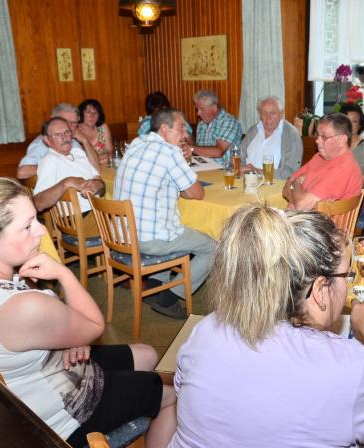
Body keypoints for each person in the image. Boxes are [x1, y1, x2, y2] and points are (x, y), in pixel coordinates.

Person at [0, 176, 177, 448]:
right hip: (59, 418)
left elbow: (43, 318)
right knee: (173, 395)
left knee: (148, 354)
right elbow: (93, 325)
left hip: (30, 382)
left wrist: (69, 335)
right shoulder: (22, 308)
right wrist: (63, 273)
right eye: (28, 225)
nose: (41, 231)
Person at [168, 205, 364, 448]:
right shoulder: (349, 367)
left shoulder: (207, 328)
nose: (348, 284)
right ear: (320, 290)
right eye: (346, 275)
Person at [115, 109, 216, 320]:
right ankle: (170, 295)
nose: (185, 134)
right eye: (180, 128)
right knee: (215, 246)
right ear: (164, 129)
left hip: (123, 236)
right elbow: (197, 193)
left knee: (171, 225)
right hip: (149, 239)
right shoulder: (168, 152)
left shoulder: (137, 143)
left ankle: (156, 283)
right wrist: (183, 162)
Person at [32, 117, 105, 235]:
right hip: (80, 221)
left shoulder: (78, 153)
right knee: (128, 221)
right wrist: (67, 182)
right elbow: (38, 204)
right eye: (57, 135)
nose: (64, 138)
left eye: (66, 132)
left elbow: (99, 178)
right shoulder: (50, 160)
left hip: (96, 213)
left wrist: (98, 184)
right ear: (47, 140)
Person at [282, 112, 363, 210]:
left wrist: (296, 184)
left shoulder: (344, 167)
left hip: (322, 224)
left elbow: (301, 205)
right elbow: (285, 189)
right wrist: (298, 195)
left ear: (342, 139)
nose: (317, 141)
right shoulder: (319, 157)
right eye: (317, 135)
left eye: (324, 137)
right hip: (299, 219)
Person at [17, 103, 102, 180]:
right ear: (53, 121)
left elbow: (96, 170)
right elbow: (22, 172)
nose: (70, 127)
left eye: (74, 123)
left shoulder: (73, 141)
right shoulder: (42, 143)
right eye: (66, 122)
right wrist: (59, 164)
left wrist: (85, 141)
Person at [240, 95, 302, 180]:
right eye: (264, 113)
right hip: (245, 182)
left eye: (272, 113)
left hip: (272, 186)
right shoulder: (253, 131)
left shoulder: (291, 135)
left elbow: (291, 172)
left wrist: (257, 172)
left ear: (281, 114)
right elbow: (240, 157)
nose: (268, 118)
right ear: (259, 115)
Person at [190, 89, 243, 162]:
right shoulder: (201, 124)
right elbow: (200, 151)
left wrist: (190, 148)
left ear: (214, 108)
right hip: (205, 168)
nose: (198, 113)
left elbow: (219, 152)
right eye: (197, 109)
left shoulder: (229, 121)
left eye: (201, 109)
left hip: (225, 170)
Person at [339, 102, 364, 180]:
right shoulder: (334, 143)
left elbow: (363, 181)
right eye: (346, 120)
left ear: (360, 125)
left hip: (353, 191)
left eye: (354, 121)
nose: (349, 124)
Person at [77, 99, 113, 164]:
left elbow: (111, 153)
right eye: (88, 112)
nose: (92, 116)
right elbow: (79, 160)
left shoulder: (102, 127)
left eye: (95, 113)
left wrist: (93, 160)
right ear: (81, 114)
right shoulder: (75, 130)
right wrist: (102, 158)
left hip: (104, 167)